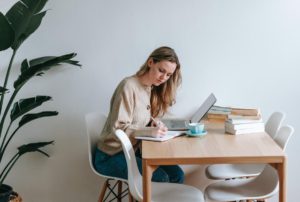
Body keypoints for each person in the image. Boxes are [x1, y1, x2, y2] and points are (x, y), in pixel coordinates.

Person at [94, 46, 184, 183]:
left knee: (178, 174)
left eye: (168, 75)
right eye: (161, 71)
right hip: (110, 156)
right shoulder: (128, 86)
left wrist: (151, 123)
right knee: (162, 178)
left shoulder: (149, 87)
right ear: (150, 62)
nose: (164, 78)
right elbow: (118, 128)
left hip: (131, 151)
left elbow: (137, 117)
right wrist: (149, 131)